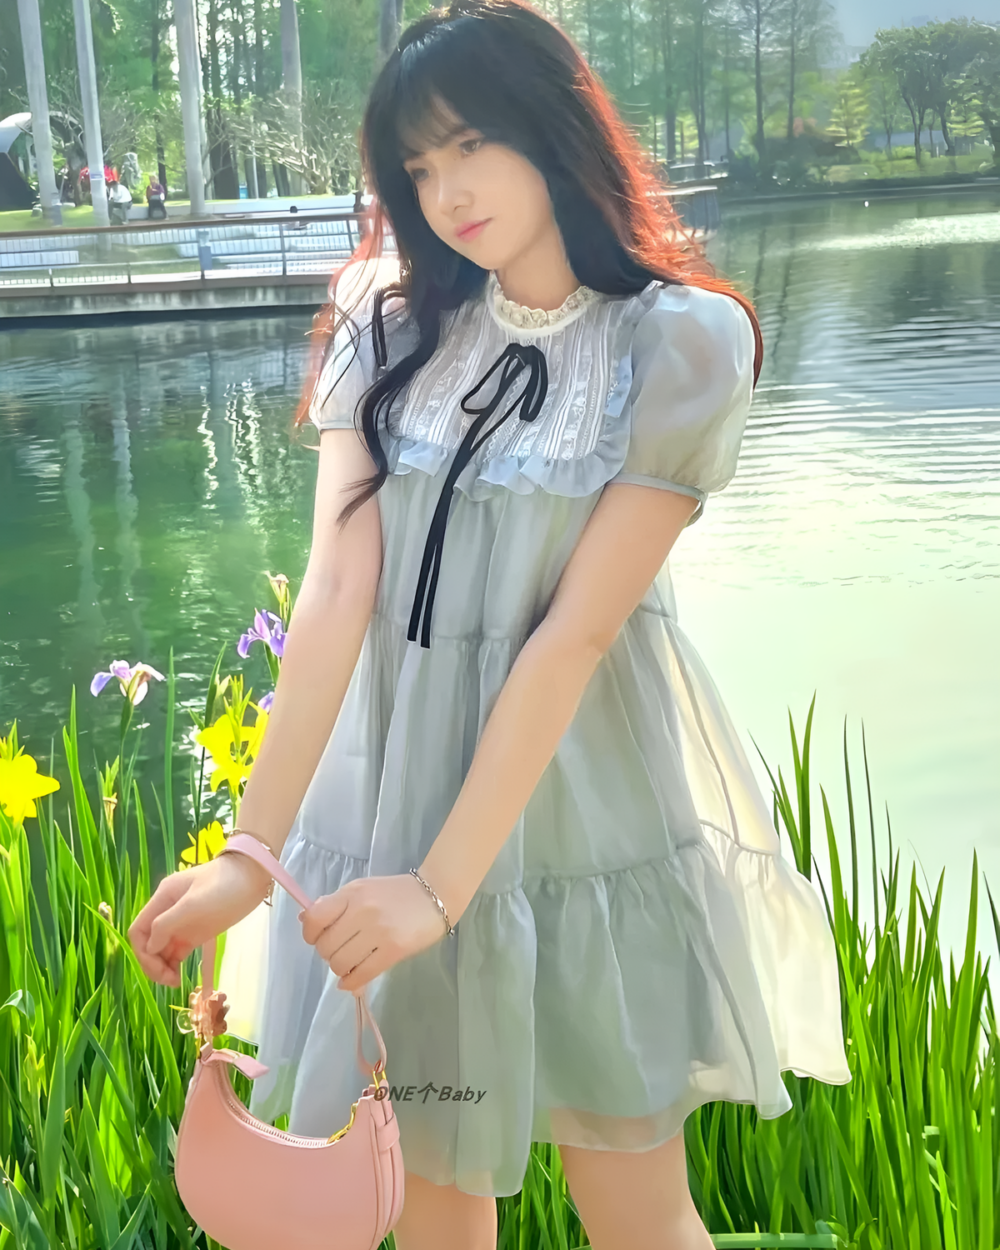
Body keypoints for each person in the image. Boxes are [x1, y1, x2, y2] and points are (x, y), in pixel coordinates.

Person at [128, 2, 851, 1247]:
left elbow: (570, 638)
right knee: (429, 1190)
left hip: (576, 803)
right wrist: (257, 853)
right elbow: (337, 591)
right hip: (395, 795)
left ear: (552, 126)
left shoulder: (675, 342)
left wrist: (439, 887)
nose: (446, 189)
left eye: (469, 144)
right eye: (418, 165)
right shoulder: (388, 316)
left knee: (636, 1206)